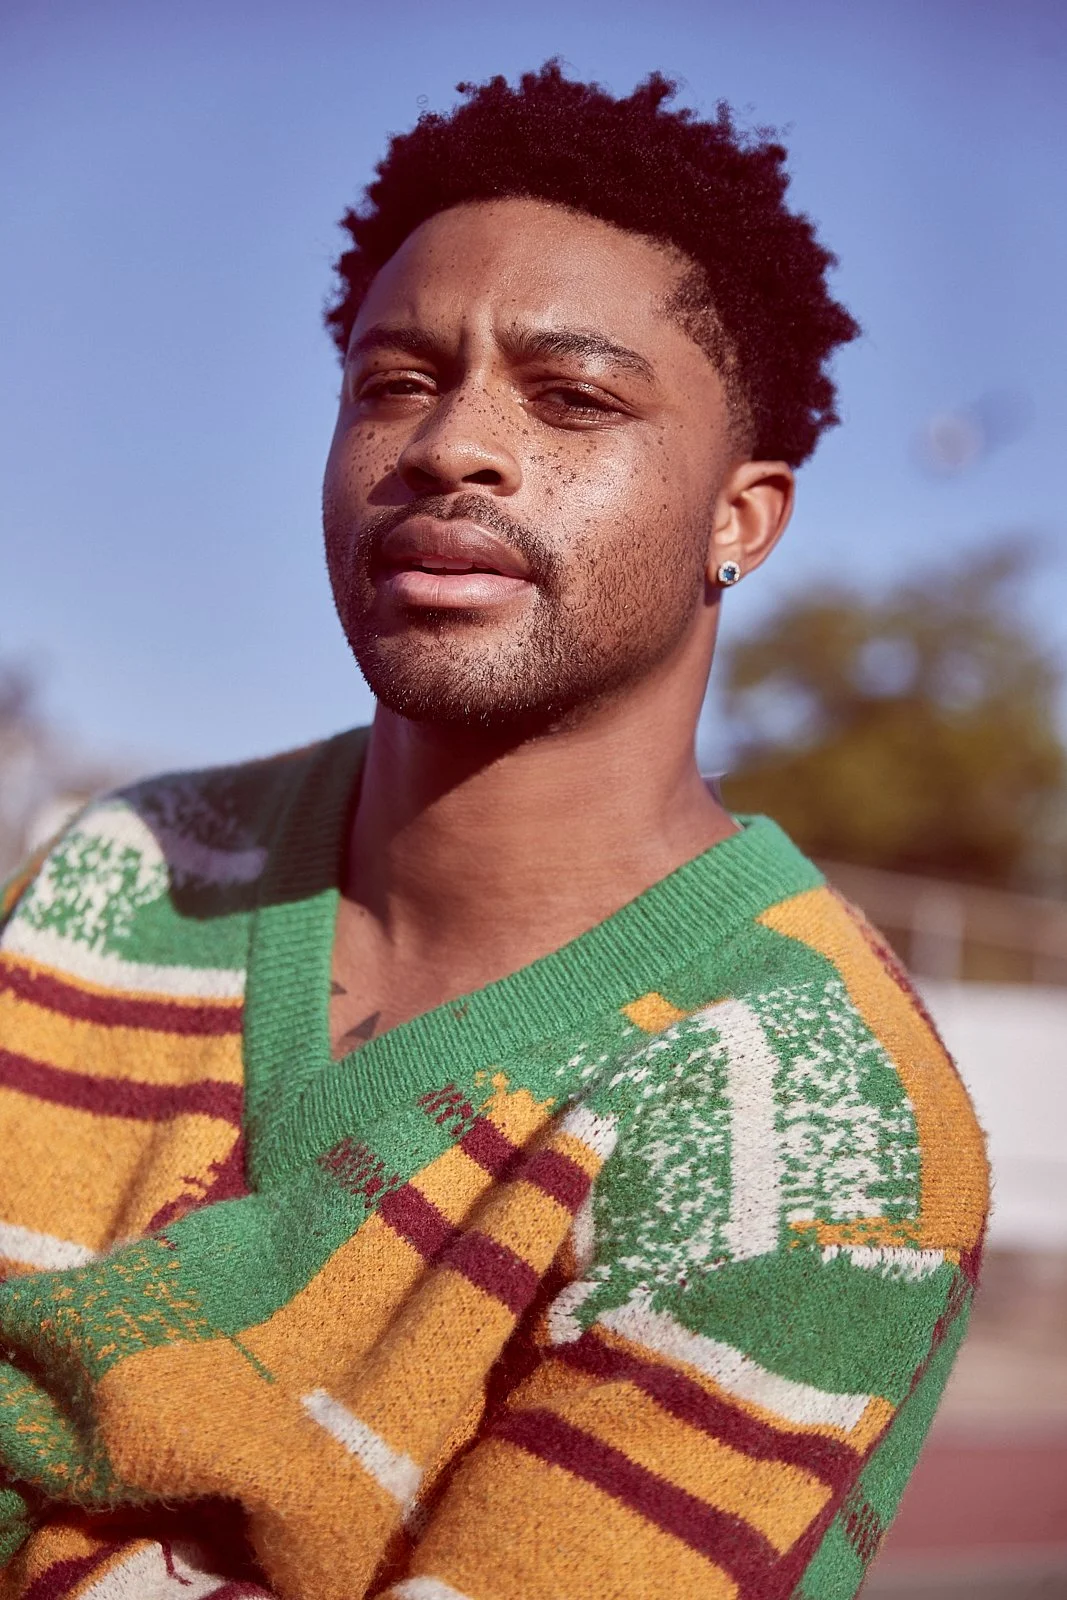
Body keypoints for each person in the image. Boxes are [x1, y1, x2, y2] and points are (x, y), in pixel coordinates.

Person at [0, 63, 987, 1600]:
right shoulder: (126, 870)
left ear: (738, 521)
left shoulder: (807, 1100)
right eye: (393, 382)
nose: (449, 444)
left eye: (572, 398)